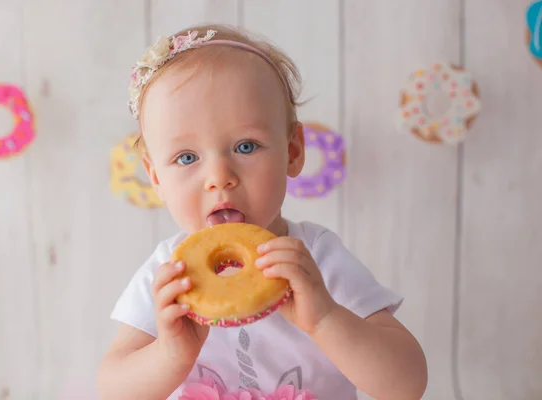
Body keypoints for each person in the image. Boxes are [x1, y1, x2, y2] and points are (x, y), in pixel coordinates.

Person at [98, 24, 427, 400]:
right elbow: (112, 389)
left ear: (292, 152)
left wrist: (324, 319)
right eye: (187, 157)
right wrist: (170, 354)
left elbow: (407, 385)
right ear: (155, 177)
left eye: (246, 146)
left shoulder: (315, 258)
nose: (220, 178)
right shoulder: (169, 274)